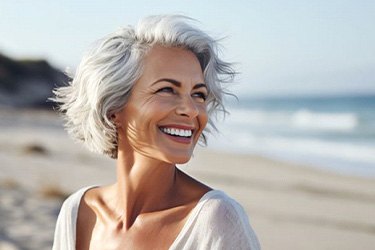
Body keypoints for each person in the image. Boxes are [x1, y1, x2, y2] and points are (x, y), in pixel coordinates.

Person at [52, 15, 261, 250]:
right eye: (167, 90)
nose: (191, 110)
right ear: (113, 108)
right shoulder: (77, 212)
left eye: (198, 94)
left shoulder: (215, 220)